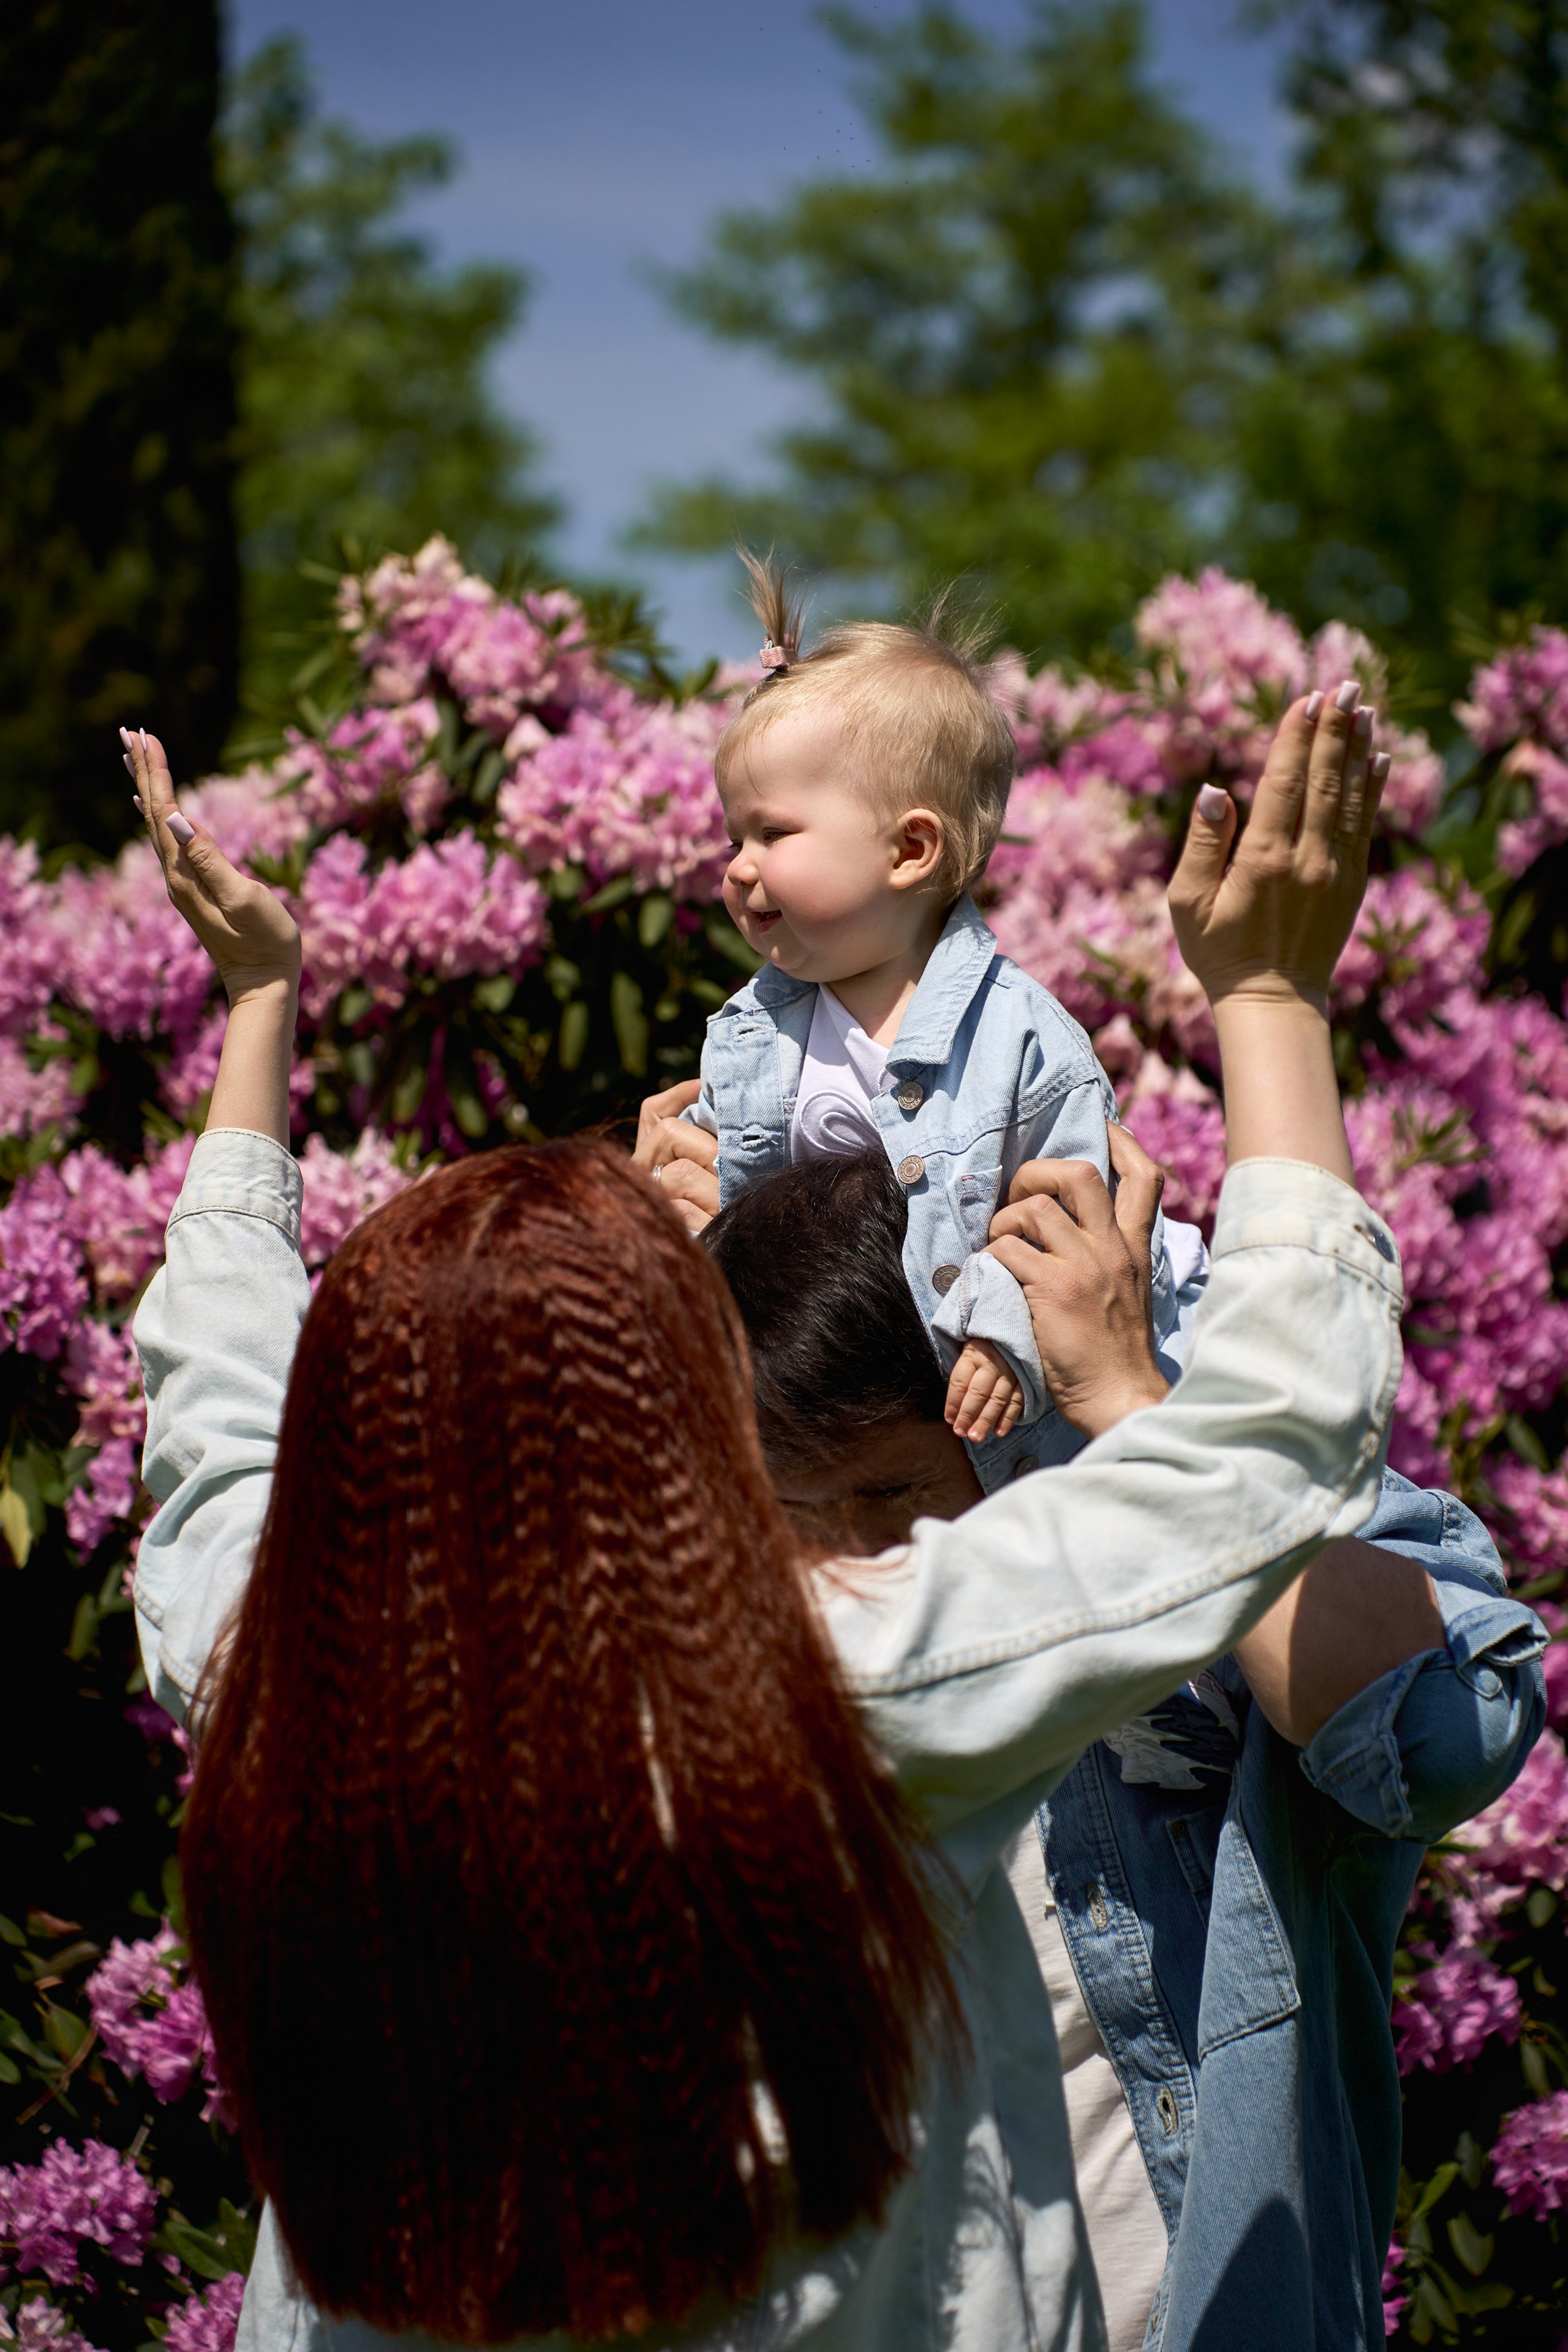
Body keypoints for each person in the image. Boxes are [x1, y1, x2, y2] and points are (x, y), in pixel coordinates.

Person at [126, 692, 1401, 2352]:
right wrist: (1272, 1005)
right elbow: (1259, 1448)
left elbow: (218, 1403)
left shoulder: (275, 1672)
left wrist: (259, 1008)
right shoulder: (827, 1700)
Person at [701, 1148, 1547, 2352]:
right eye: (798, 1510)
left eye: (895, 1491)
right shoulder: (760, 1665)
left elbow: (1442, 1727)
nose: (858, 1559)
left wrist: (1138, 1414)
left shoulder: (1156, 1592)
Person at [674, 553, 1389, 1471]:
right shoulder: (748, 1034)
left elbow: (1070, 1198)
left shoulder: (1013, 1031)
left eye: (774, 833)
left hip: (1018, 1400)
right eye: (734, 835)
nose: (738, 865)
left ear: (911, 849)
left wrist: (1005, 1328)